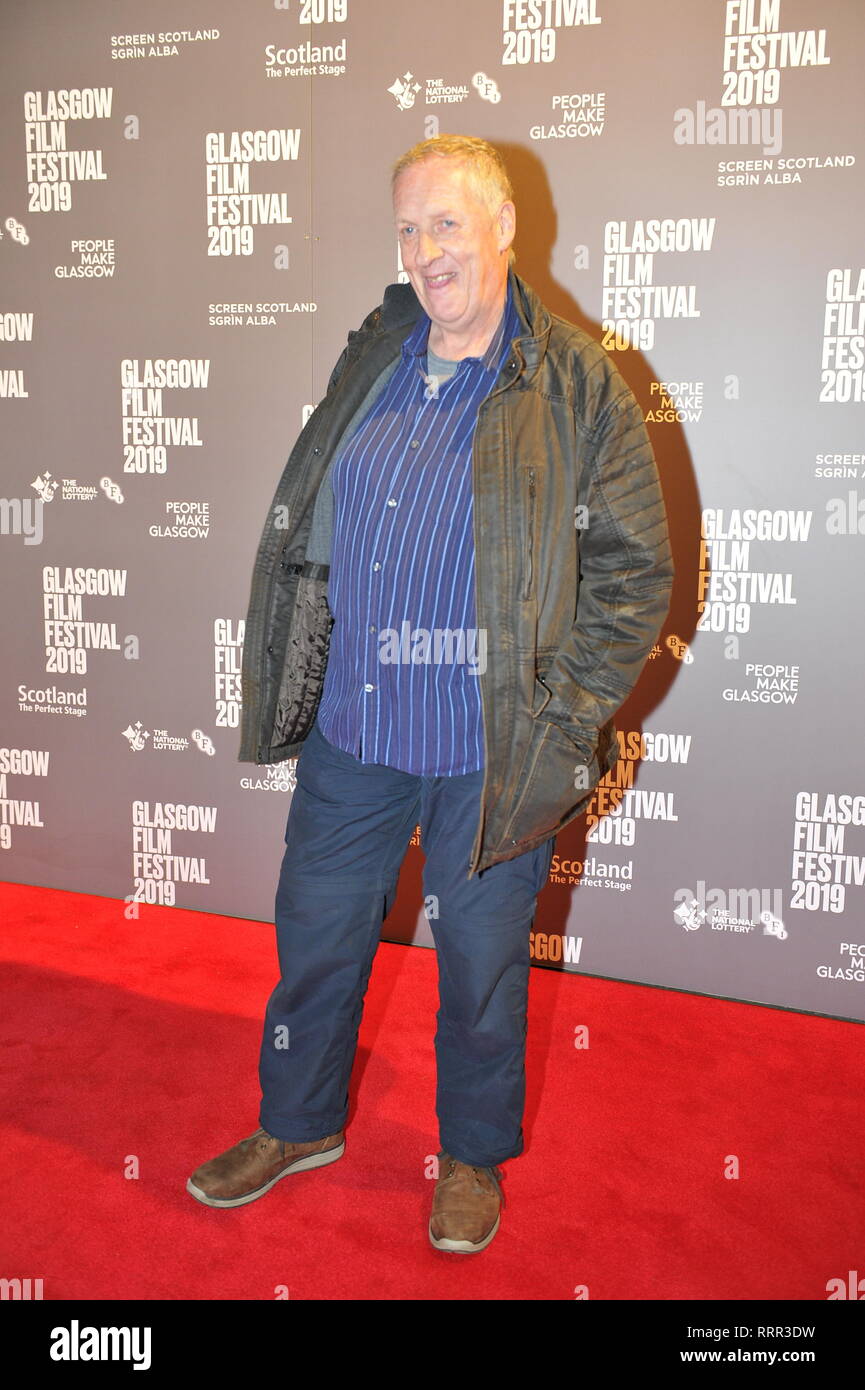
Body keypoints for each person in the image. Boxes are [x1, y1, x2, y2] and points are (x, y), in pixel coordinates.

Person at [187, 135, 673, 1254]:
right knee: (313, 934)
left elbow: (637, 571)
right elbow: (316, 511)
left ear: (504, 227)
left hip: (489, 744)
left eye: (446, 223)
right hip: (357, 724)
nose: (424, 251)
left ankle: (469, 1155)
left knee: (482, 965)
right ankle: (297, 1122)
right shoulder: (378, 350)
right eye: (407, 228)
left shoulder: (575, 382)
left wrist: (561, 713)